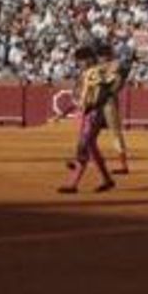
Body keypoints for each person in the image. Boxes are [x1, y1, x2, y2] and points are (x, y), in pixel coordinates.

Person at [59, 45, 116, 194]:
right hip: (91, 112)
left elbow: (103, 90)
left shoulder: (94, 72)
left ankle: (73, 184)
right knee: (90, 147)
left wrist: (93, 105)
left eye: (81, 61)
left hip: (93, 113)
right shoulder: (90, 72)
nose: (79, 64)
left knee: (83, 145)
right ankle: (107, 179)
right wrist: (66, 111)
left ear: (88, 59)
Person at [99, 42, 132, 175]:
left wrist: (111, 92)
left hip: (108, 101)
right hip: (102, 101)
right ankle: (82, 159)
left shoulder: (115, 65)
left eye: (102, 56)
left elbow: (120, 78)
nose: (101, 58)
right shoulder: (104, 66)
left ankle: (123, 165)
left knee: (115, 133)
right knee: (89, 132)